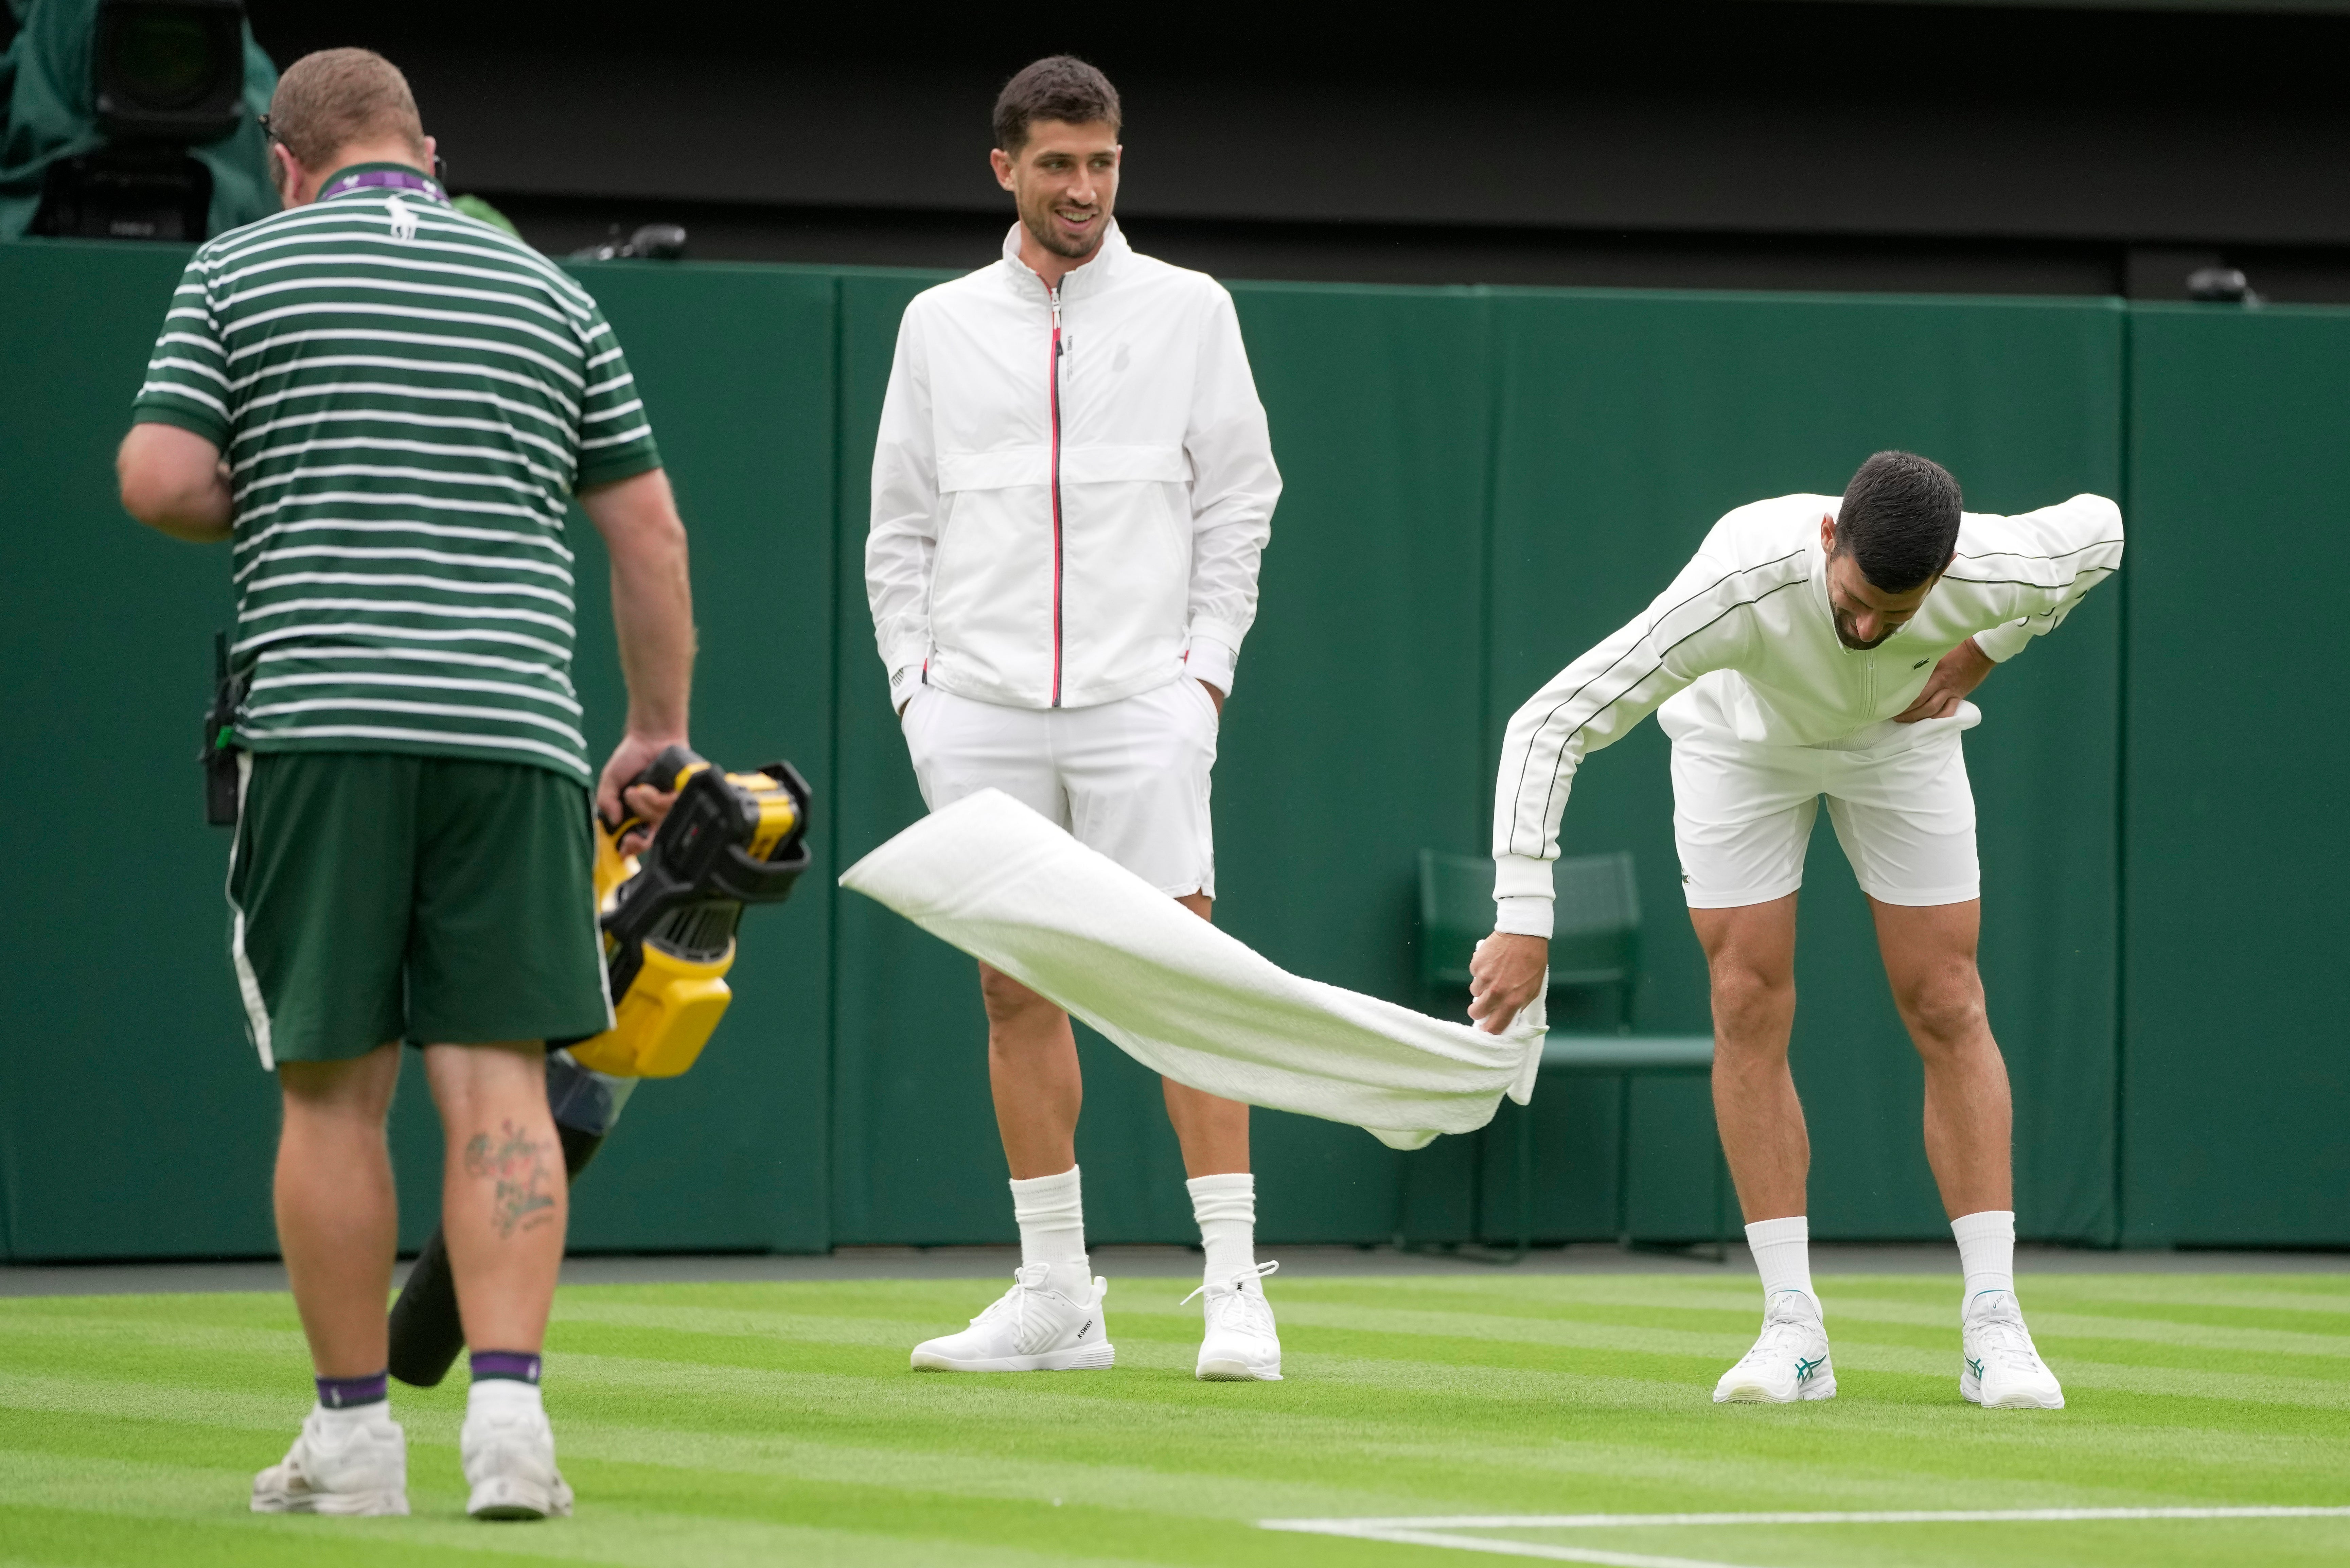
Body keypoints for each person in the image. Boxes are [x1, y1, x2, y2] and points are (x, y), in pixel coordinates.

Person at [116, 49, 695, 1518]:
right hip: (514, 739)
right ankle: (510, 1431)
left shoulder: (240, 270)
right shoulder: (551, 293)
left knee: (333, 1093)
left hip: (323, 733)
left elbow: (160, 477)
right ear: (426, 151)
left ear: (285, 160)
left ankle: (355, 1439)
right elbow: (647, 532)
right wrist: (654, 730)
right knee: (498, 1077)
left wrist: (305, 475)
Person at [1469, 452, 2122, 1410]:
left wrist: (1990, 649)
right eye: (1853, 601)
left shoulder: (1993, 566)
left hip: (1901, 747)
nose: (1865, 629)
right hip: (1742, 752)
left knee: (1947, 1001)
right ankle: (1793, 1330)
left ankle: (1995, 1326)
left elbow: (2101, 529)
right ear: (1829, 539)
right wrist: (1524, 918)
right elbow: (1551, 723)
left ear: (1942, 578)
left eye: (1892, 617)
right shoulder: (1737, 584)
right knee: (1744, 997)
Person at [866, 56, 1284, 1380]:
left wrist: (1198, 682)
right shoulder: (937, 324)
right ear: (1005, 168)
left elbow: (1239, 502)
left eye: (1101, 163)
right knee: (1012, 987)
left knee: (1181, 975)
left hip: (1138, 702)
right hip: (975, 706)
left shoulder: (1190, 309)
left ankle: (1232, 1285)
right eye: (1057, 163)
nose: (1083, 188)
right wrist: (915, 693)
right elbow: (900, 529)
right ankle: (1057, 1292)